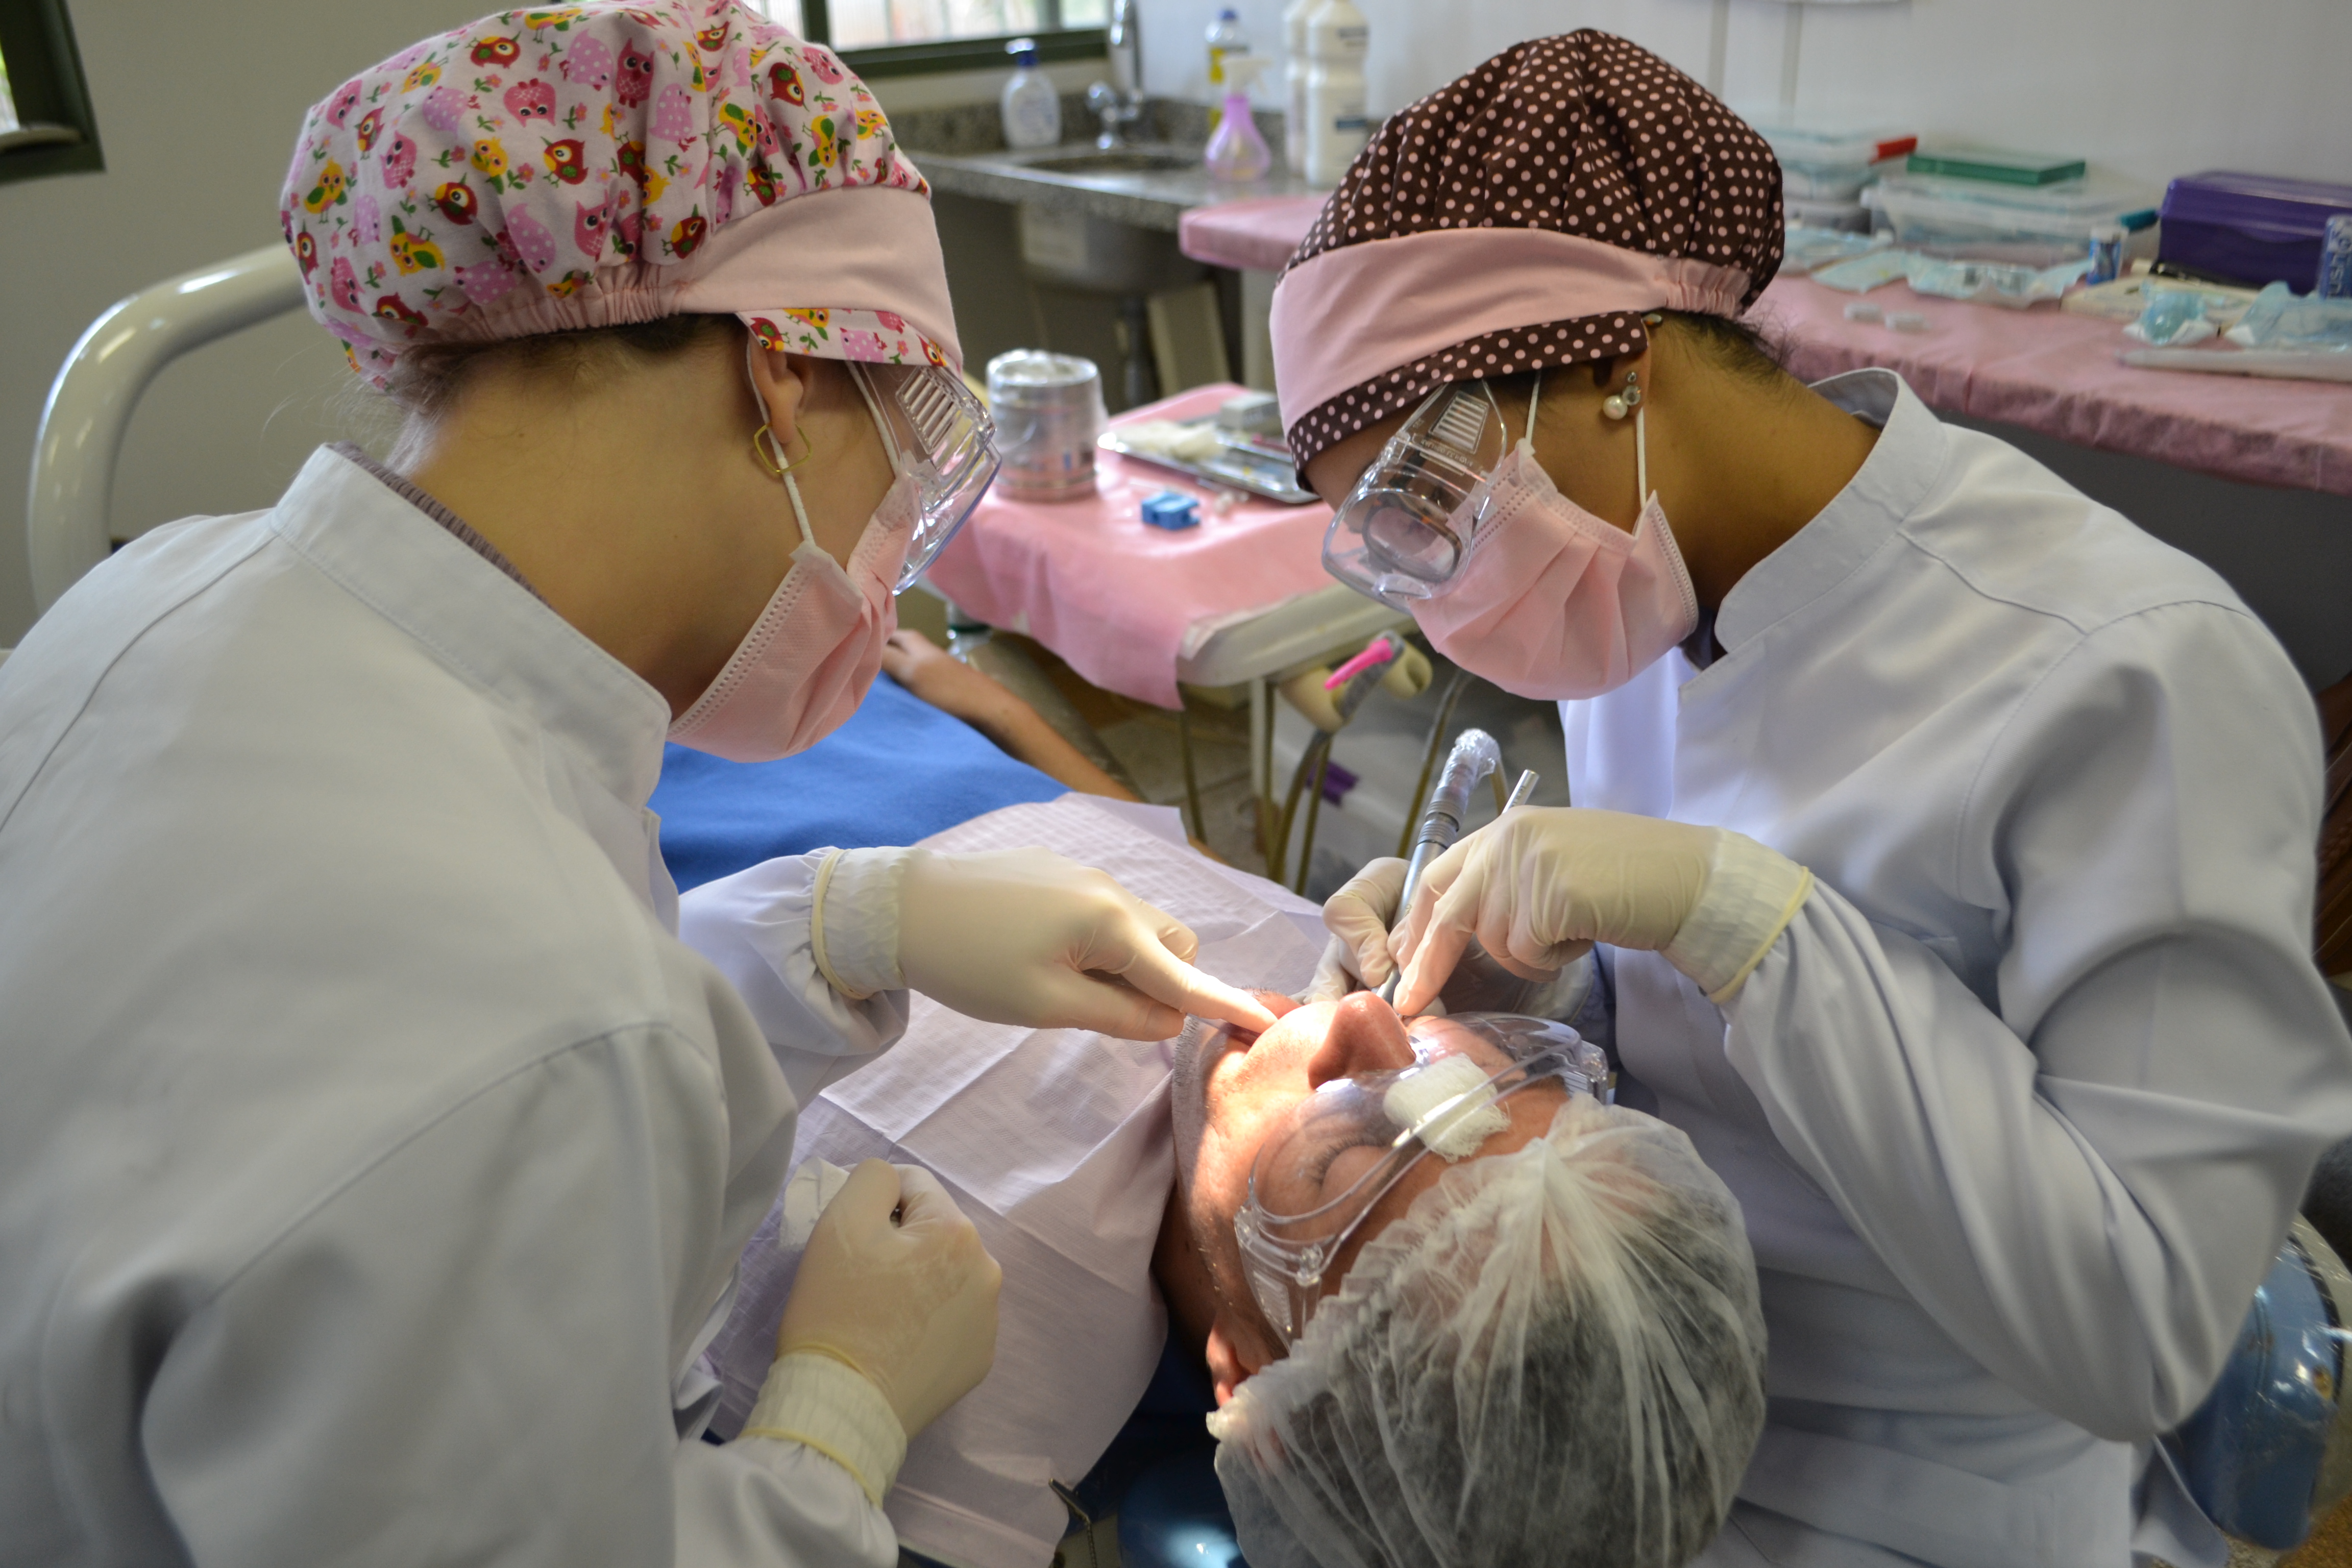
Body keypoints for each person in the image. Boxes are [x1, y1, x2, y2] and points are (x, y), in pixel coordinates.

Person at [0, 6, 1270, 1565]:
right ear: (784, 375)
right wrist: (839, 1422)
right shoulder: (541, 1023)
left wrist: (856, 920)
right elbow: (522, 1057)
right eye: (916, 461)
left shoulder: (160, 596)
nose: (893, 560)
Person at [1280, 30, 2352, 1568]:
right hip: (1628, 1393)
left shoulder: (2136, 673)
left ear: (1615, 363)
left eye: (1429, 499)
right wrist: (1524, 973)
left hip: (1940, 1493)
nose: (1433, 589)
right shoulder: (1638, 591)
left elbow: (2143, 1325)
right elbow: (1688, 1054)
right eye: (1386, 544)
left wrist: (1744, 921)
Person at [687, 791, 1765, 1568]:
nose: (1364, 1016)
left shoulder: (943, 1423)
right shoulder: (1365, 1002)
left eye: (1346, 1147)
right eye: (1488, 1065)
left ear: (1247, 1383)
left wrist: (838, 1409)